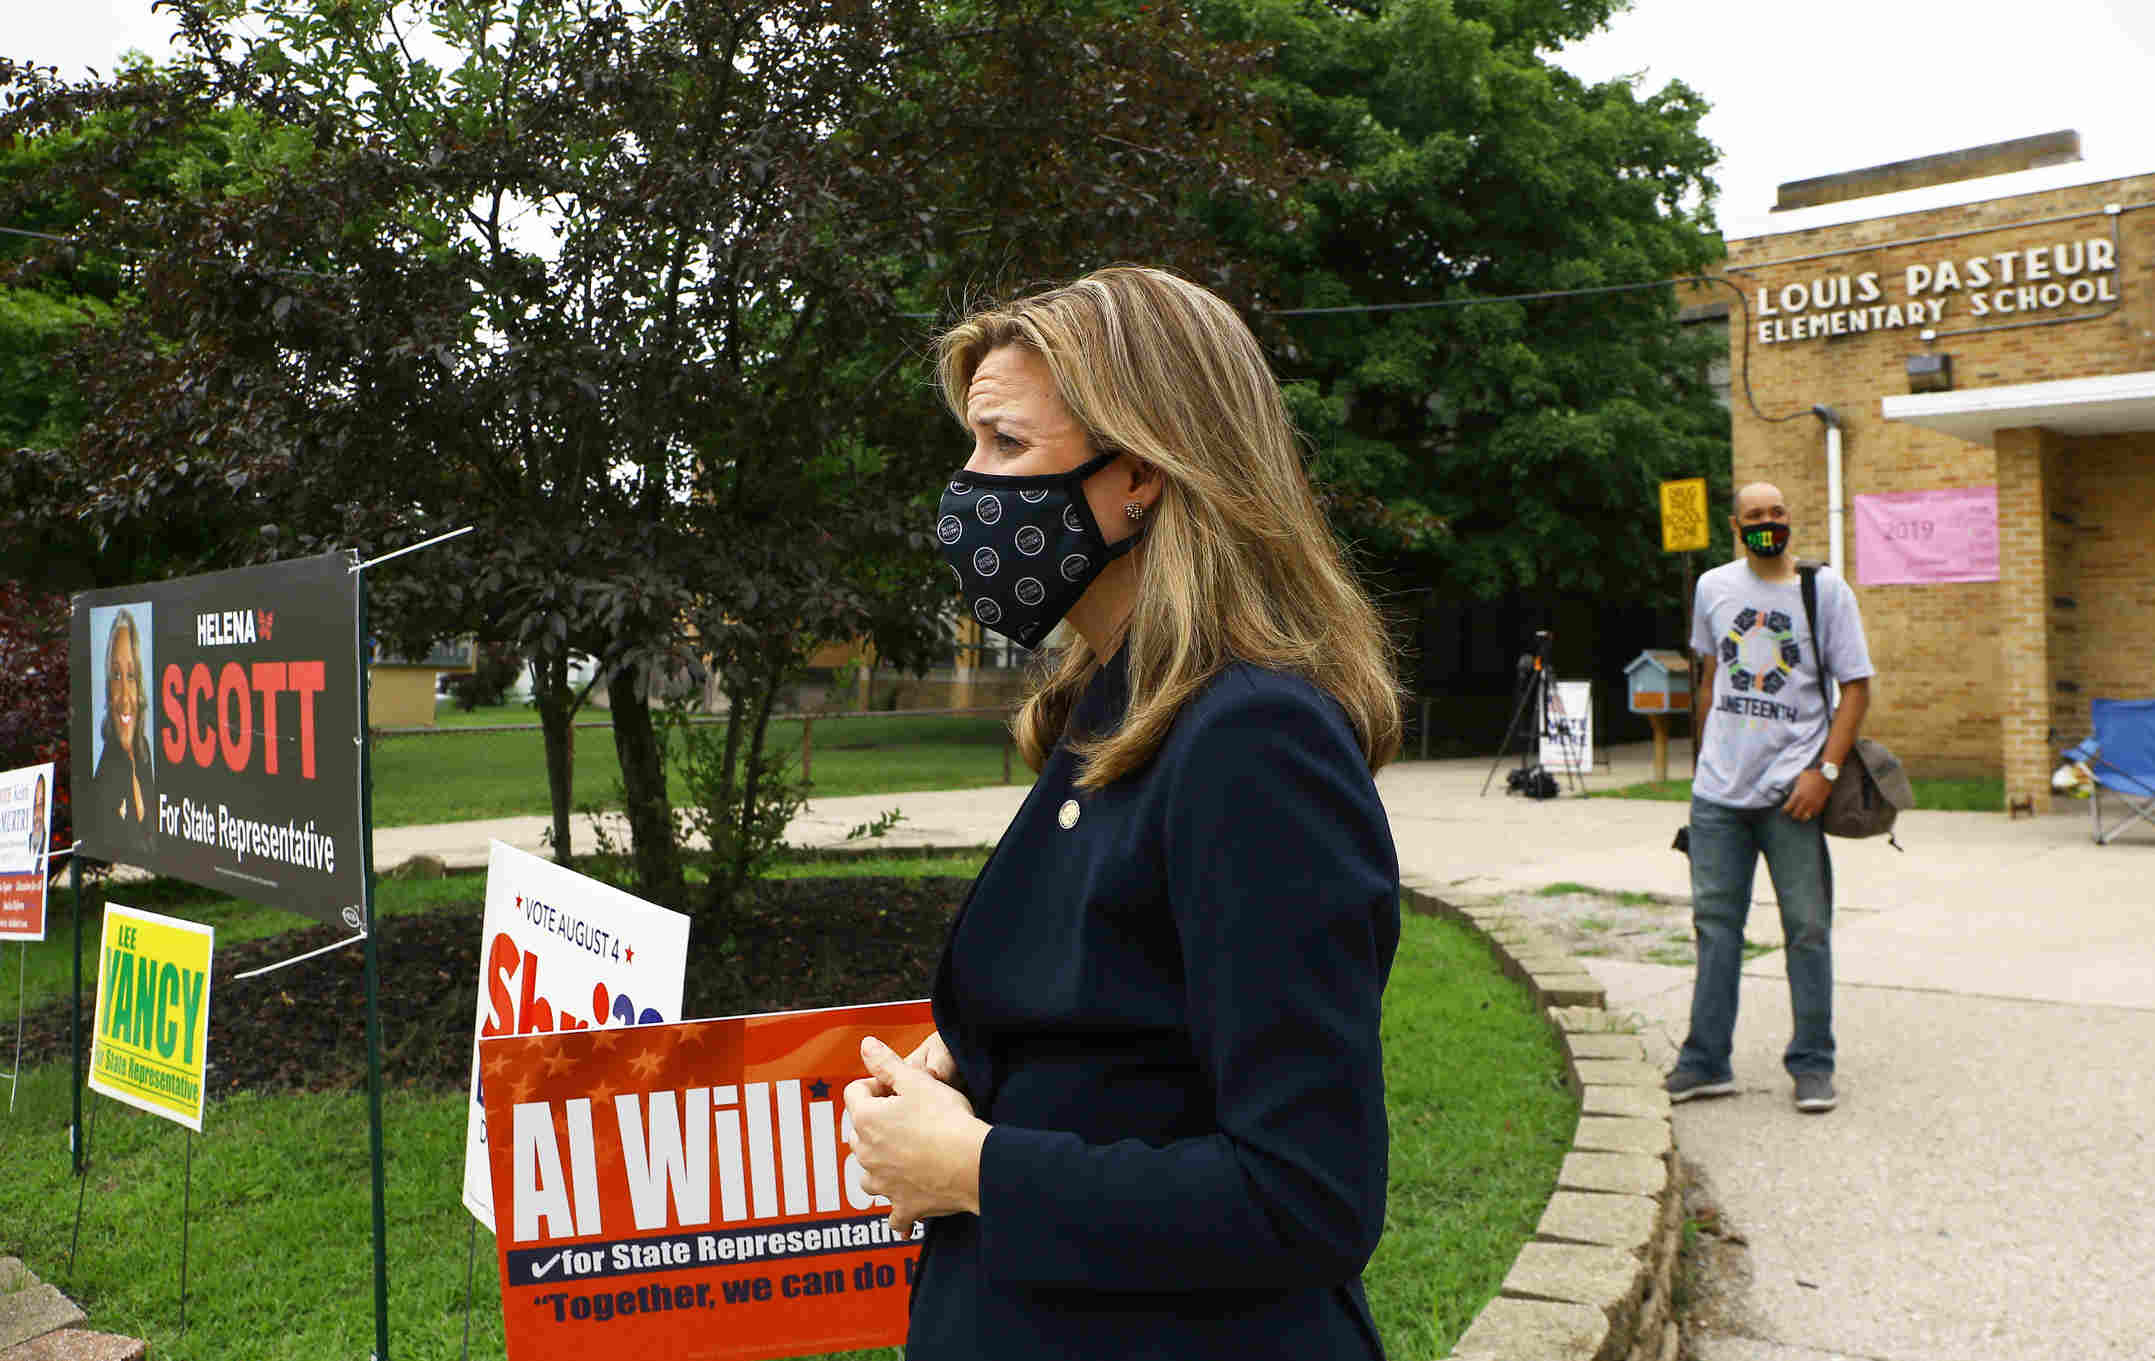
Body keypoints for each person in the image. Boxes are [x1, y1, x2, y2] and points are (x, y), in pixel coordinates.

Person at [842, 266, 1404, 1359]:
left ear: (1139, 471)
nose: (967, 488)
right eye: (971, 446)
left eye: (1005, 446)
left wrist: (970, 1164)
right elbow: (1135, 1016)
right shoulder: (1114, 703)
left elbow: (1305, 1193)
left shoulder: (1252, 738)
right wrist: (993, 1057)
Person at [1667, 483, 1873, 1114]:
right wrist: (1702, 764)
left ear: (1790, 518)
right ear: (1736, 525)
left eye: (1777, 513)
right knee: (1716, 929)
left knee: (1808, 928)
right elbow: (1711, 678)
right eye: (1755, 515)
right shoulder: (1713, 588)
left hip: (1794, 794)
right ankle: (1706, 1062)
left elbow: (1857, 687)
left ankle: (1813, 1064)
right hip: (1719, 798)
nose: (1767, 523)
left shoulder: (1824, 591)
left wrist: (1826, 772)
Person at [90, 607, 157, 859]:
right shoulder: (104, 780)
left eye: (131, 676)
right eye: (116, 676)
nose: (126, 698)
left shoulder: (144, 752)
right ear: (108, 688)